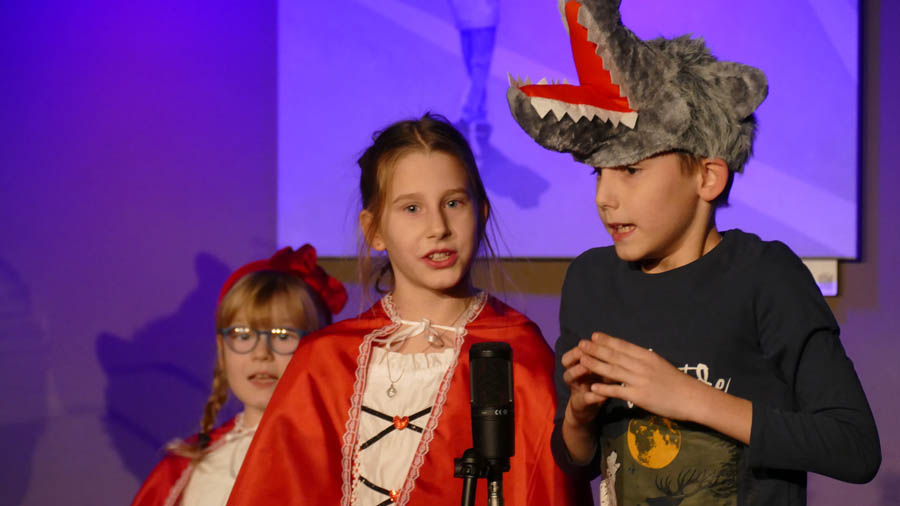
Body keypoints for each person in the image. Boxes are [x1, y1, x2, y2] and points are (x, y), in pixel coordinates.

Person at [506, 1, 881, 504]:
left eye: (631, 170)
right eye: (598, 173)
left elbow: (854, 447)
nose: (604, 197)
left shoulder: (765, 276)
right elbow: (576, 459)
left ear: (707, 177)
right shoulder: (591, 280)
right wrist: (579, 414)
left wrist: (688, 398)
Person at [227, 114, 591, 505]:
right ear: (374, 230)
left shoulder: (517, 359)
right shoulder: (323, 362)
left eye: (453, 203)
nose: (438, 227)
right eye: (412, 208)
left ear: (481, 213)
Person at [131, 245, 347, 506]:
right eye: (243, 335)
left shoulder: (344, 461)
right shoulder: (185, 470)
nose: (261, 353)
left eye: (283, 335)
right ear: (222, 350)